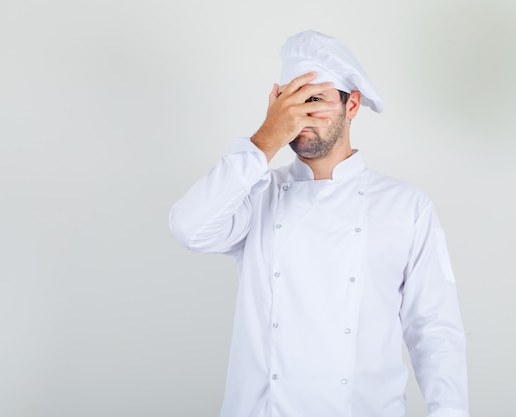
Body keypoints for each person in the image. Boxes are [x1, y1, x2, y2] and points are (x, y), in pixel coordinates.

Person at [169, 30, 469, 417]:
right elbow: (188, 228)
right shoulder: (256, 195)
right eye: (290, 103)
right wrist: (265, 140)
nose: (302, 116)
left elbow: (435, 331)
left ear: (352, 105)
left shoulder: (406, 205)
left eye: (316, 100)